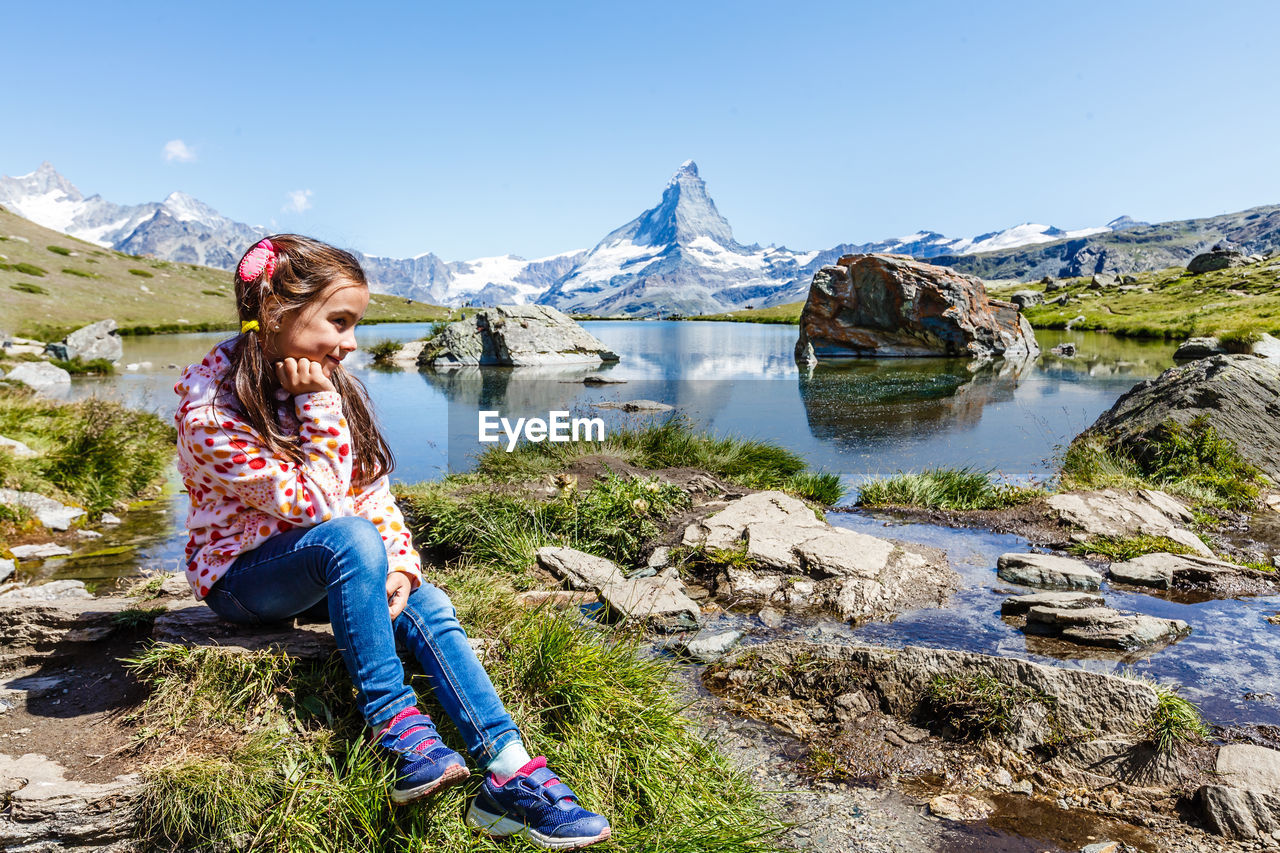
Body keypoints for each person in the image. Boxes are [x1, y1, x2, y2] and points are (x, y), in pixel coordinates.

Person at [173, 235, 610, 850]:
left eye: (357, 324)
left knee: (424, 603)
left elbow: (371, 491)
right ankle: (400, 729)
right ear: (273, 311)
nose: (351, 343)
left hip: (328, 568)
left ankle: (510, 771)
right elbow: (320, 508)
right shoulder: (211, 415)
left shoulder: (327, 382)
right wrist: (319, 405)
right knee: (347, 539)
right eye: (339, 321)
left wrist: (402, 564)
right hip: (244, 584)